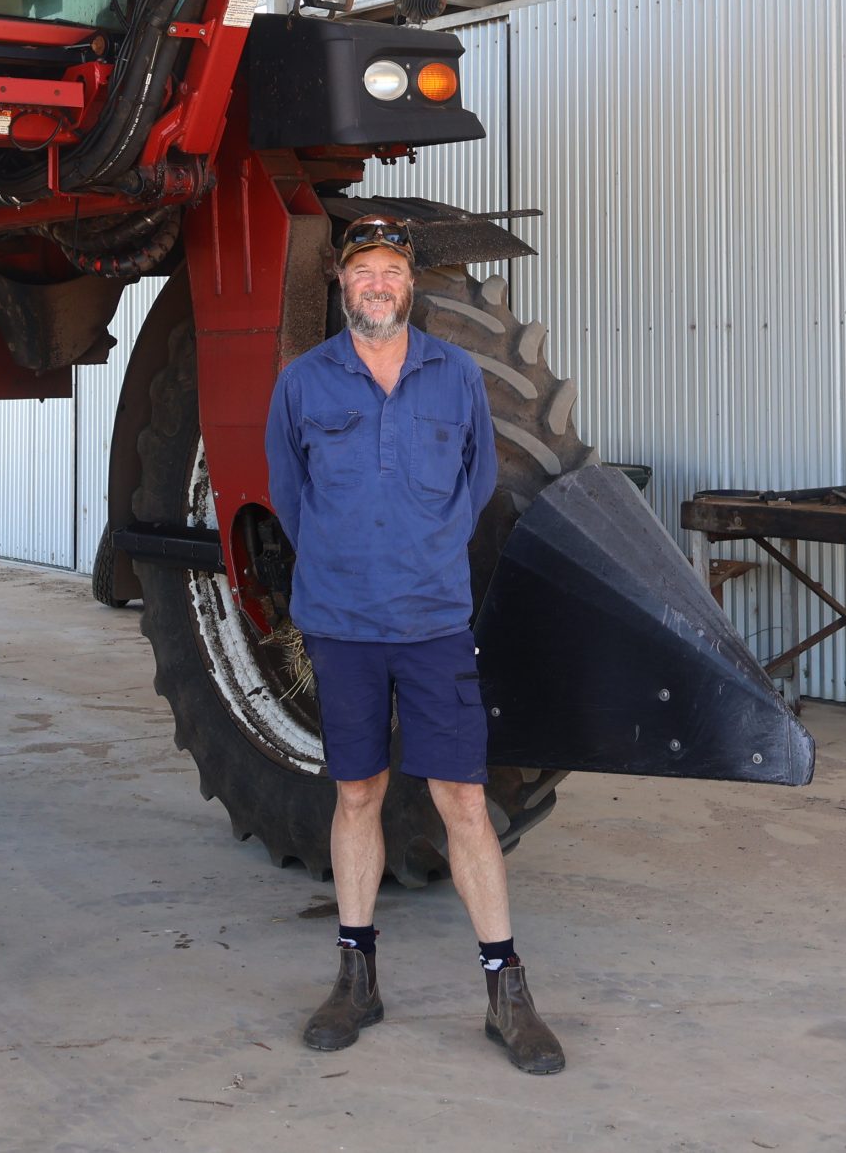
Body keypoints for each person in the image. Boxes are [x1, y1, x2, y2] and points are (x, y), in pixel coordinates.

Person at [261, 212, 565, 1075]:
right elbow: (291, 495)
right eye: (364, 271)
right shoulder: (304, 383)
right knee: (357, 792)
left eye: (392, 268)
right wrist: (351, 561)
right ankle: (356, 977)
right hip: (343, 624)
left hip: (433, 624)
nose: (379, 284)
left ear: (409, 281)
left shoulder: (455, 377)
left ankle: (506, 991)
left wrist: (418, 555)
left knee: (463, 800)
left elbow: (473, 488)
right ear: (342, 283)